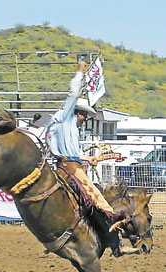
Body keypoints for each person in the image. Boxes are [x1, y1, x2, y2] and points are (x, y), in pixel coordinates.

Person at [35, 61, 123, 257]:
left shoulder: (65, 127)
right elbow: (73, 94)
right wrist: (80, 72)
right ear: (79, 113)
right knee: (98, 199)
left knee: (87, 200)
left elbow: (65, 151)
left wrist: (85, 158)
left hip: (67, 165)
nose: (85, 118)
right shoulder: (66, 118)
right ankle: (114, 239)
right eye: (84, 114)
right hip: (71, 169)